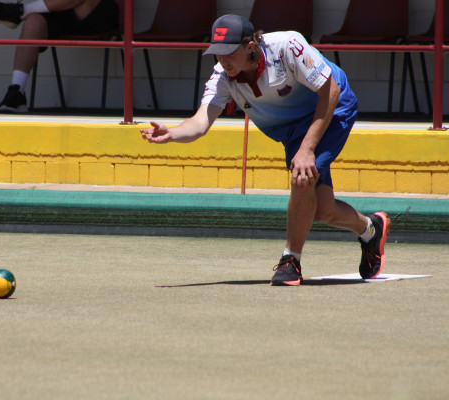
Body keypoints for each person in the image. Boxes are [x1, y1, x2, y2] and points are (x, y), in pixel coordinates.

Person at [140, 14, 391, 286]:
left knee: (302, 176)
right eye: (217, 53)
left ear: (250, 46)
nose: (222, 60)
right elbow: (201, 122)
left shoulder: (288, 46)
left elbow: (329, 91)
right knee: (322, 210)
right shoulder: (223, 76)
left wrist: (307, 149)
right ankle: (371, 229)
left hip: (333, 105)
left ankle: (290, 260)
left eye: (228, 52)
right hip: (293, 130)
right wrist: (173, 133)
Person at [0, 0, 119, 113]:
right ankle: (17, 91)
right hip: (63, 11)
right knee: (34, 21)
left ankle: (20, 12)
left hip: (98, 13)